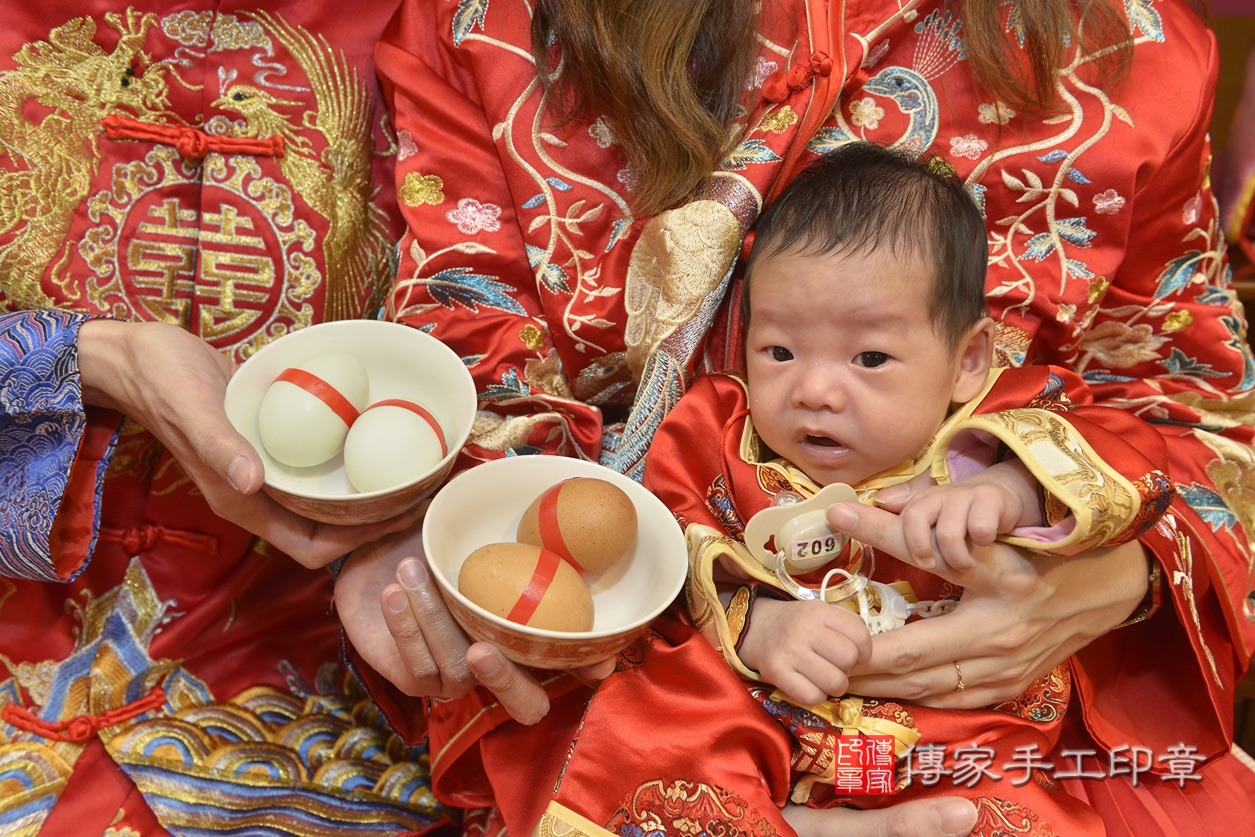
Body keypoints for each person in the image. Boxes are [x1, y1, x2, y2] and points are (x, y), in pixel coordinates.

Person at [334, 0, 1255, 834]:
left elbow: (1192, 416)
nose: (815, 391)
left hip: (1003, 685)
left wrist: (1110, 564)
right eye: (781, 355)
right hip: (631, 647)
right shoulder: (488, 23)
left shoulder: (1128, 45)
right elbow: (462, 373)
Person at [0, 4, 454, 834]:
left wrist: (426, 527)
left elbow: (529, 337)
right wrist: (93, 358)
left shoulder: (455, 31)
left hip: (323, 692)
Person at [641, 139, 1175, 832]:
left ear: (966, 360)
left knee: (1014, 815)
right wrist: (755, 626)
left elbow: (1127, 454)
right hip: (762, 714)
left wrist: (1014, 487)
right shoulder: (718, 430)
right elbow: (670, 537)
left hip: (952, 732)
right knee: (641, 734)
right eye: (778, 350)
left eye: (869, 357)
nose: (814, 389)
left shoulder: (1003, 419)